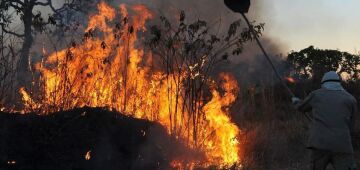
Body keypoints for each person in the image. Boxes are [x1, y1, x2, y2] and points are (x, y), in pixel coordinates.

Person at [292, 71, 358, 170]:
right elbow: (351, 125)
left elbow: (301, 107)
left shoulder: (316, 95)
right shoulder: (350, 99)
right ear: (339, 82)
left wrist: (295, 101)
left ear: (323, 83)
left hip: (320, 144)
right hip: (342, 145)